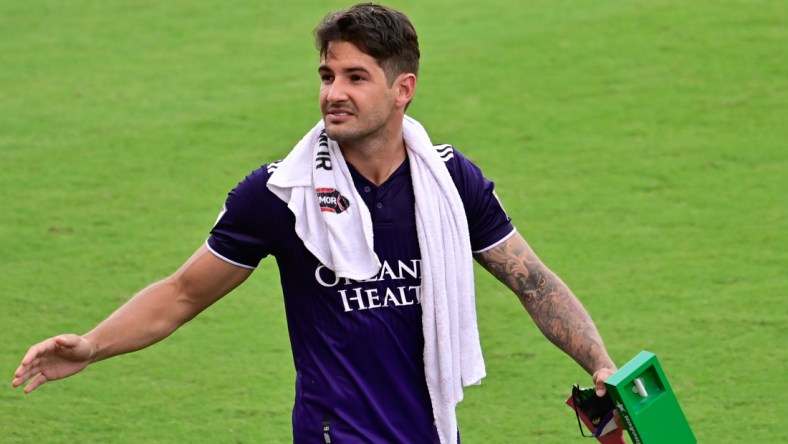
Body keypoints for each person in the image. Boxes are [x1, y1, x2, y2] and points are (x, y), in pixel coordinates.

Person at [12, 3, 617, 443]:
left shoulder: (450, 181)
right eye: (328, 76)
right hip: (337, 433)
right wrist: (92, 346)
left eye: (356, 77)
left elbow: (531, 279)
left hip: (432, 429)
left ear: (402, 88)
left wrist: (598, 362)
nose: (334, 93)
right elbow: (180, 293)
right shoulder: (280, 193)